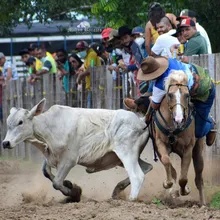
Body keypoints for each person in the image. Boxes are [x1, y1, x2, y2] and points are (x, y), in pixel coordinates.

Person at [136, 56, 216, 146]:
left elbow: (154, 106)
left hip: (204, 93)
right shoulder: (169, 61)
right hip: (192, 82)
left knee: (198, 132)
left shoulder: (160, 85)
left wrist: (151, 99)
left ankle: (210, 124)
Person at [75, 40, 101, 108]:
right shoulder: (87, 57)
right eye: (78, 50)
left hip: (95, 87)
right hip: (91, 87)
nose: (80, 52)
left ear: (87, 48)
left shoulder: (91, 54)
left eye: (82, 49)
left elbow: (90, 70)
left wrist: (80, 76)